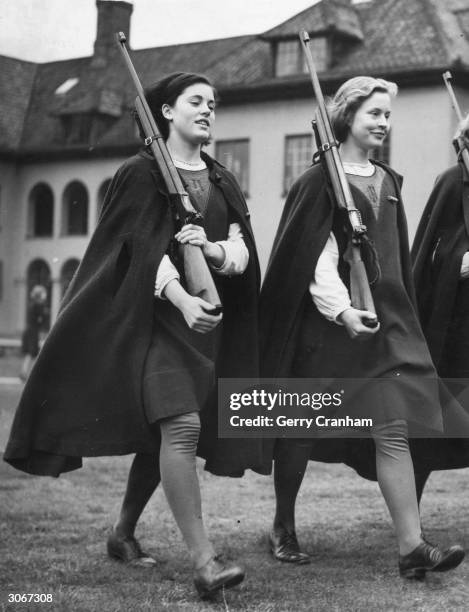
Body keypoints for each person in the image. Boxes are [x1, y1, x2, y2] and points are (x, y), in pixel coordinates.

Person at [4, 72, 269, 598]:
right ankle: (205, 563)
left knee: (166, 437)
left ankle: (122, 533)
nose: (208, 110)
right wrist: (181, 297)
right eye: (196, 102)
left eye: (213, 104)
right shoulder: (140, 173)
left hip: (205, 330)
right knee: (183, 427)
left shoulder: (222, 180)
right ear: (166, 112)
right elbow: (129, 255)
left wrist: (212, 251)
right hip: (152, 324)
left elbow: (240, 252)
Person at [260, 76, 466, 579]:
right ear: (347, 115)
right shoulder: (317, 183)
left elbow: (395, 256)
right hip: (331, 327)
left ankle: (411, 547)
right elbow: (315, 259)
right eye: (374, 113)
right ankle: (282, 525)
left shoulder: (389, 181)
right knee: (301, 427)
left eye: (388, 115)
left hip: (388, 324)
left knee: (393, 429)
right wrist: (342, 311)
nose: (383, 122)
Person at [410, 114, 469, 498]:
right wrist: (461, 260)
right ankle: (410, 518)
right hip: (455, 331)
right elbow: (429, 253)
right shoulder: (451, 182)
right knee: (430, 429)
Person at [19, 285, 48, 381]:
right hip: (32, 332)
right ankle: (24, 373)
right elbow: (41, 319)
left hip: (29, 330)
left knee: (30, 353)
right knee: (31, 353)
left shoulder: (32, 304)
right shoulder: (38, 305)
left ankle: (24, 372)